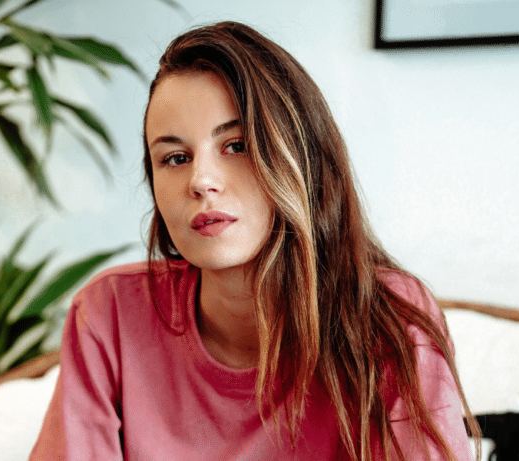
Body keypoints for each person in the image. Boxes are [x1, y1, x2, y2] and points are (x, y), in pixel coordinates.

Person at [30, 21, 480, 460]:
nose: (200, 181)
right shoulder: (109, 315)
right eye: (175, 158)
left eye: (237, 145)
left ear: (301, 156)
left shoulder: (391, 320)